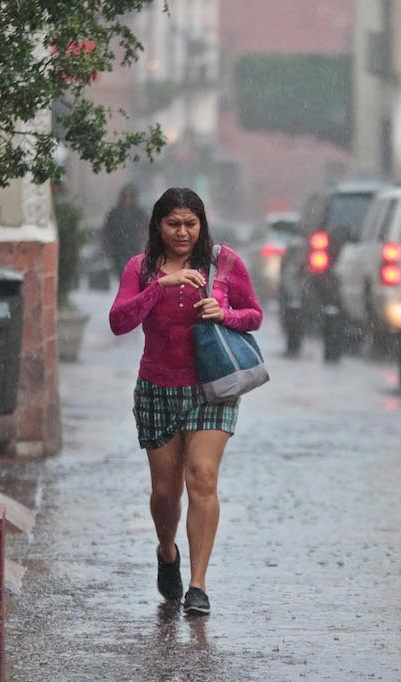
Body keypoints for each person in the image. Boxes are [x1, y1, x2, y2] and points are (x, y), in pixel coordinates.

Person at [108, 187, 263, 615]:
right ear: (157, 225)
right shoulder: (140, 268)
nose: (182, 233)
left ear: (202, 225)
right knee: (165, 491)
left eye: (190, 224)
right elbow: (120, 321)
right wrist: (161, 286)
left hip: (212, 387)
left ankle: (198, 585)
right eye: (173, 224)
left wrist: (225, 314)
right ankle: (166, 551)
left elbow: (254, 314)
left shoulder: (225, 262)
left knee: (203, 476)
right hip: (157, 386)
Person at [102, 184, 151, 277]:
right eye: (125, 197)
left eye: (130, 197)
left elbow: (147, 230)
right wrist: (107, 246)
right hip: (118, 250)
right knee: (122, 275)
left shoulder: (140, 213)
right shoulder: (114, 214)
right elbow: (106, 231)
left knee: (134, 275)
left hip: (135, 249)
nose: (127, 200)